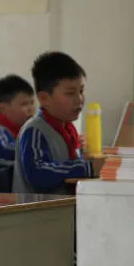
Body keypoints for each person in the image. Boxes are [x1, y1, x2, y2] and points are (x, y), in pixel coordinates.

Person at [13, 52, 102, 193]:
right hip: (40, 213)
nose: (80, 99)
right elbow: (39, 174)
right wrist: (87, 168)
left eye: (81, 91)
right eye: (71, 93)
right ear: (44, 98)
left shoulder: (67, 128)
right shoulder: (35, 130)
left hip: (63, 210)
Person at [0, 74, 35, 162]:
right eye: (24, 104)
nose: (31, 108)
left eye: (32, 103)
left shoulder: (26, 130)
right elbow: (7, 150)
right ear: (3, 108)